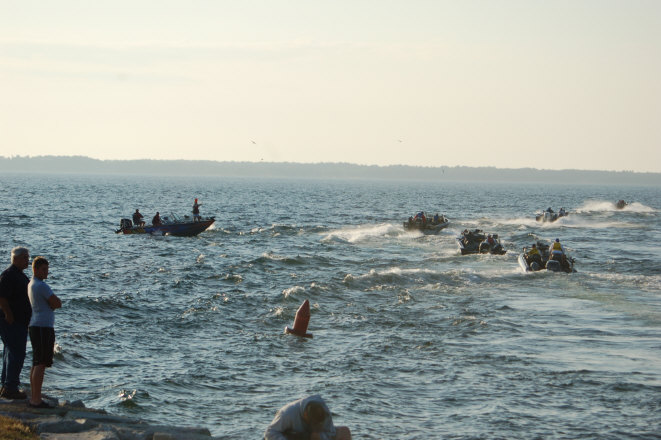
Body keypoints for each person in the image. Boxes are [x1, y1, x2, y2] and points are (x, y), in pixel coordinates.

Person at [27, 256, 61, 408]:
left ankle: (35, 396)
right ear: (35, 269)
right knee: (40, 363)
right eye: (43, 269)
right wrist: (54, 304)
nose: (46, 272)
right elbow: (56, 302)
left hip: (36, 325)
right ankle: (36, 399)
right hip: (42, 326)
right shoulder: (41, 286)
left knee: (37, 362)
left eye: (47, 269)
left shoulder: (31, 284)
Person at [0, 247, 31, 400]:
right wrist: (8, 314)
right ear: (16, 258)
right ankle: (10, 387)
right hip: (12, 321)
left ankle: (6, 385)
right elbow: (2, 297)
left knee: (10, 352)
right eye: (25, 257)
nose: (28, 260)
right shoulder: (9, 275)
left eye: (28, 257)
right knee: (16, 353)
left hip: (19, 321)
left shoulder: (19, 275)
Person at [264, 394, 351, 440]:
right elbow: (270, 432)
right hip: (290, 436)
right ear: (305, 415)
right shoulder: (287, 413)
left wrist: (319, 436)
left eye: (318, 423)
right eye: (313, 423)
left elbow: (330, 433)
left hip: (311, 437)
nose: (315, 426)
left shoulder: (325, 412)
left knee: (345, 431)